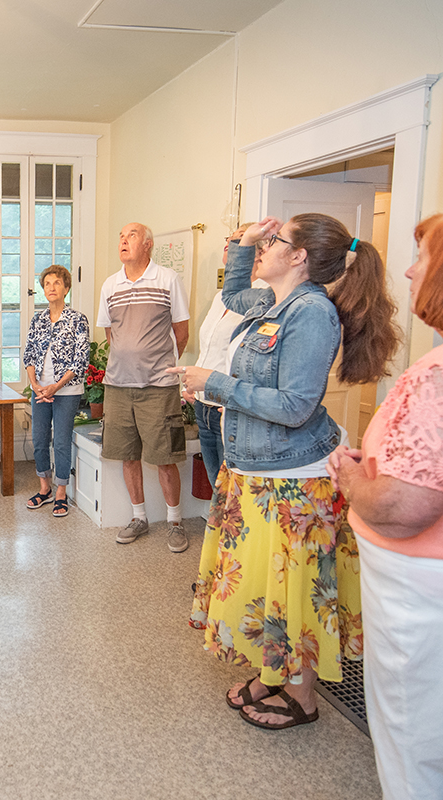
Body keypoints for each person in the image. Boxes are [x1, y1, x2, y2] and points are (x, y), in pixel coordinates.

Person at [176, 213, 399, 729]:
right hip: (256, 471)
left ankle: (303, 698)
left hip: (293, 479)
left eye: (275, 241)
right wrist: (245, 244)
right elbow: (233, 296)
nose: (267, 246)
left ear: (299, 257)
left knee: (292, 589)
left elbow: (297, 405)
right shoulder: (275, 303)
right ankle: (273, 673)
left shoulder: (313, 314)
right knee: (267, 587)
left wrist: (216, 384)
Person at [327, 214, 443, 798]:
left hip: (418, 591)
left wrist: (349, 475)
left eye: (422, 256)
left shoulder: (438, 377)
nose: (409, 268)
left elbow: (403, 506)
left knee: (412, 735)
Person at [97, 222, 190, 551]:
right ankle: (139, 517)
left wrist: (158, 363)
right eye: (120, 236)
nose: (123, 240)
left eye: (131, 236)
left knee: (165, 457)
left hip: (158, 387)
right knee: (127, 456)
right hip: (118, 386)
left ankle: (176, 521)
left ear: (148, 244)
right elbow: (111, 335)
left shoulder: (167, 279)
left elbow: (181, 332)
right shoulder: (110, 285)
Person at [188, 223, 254, 489]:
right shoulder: (221, 297)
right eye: (230, 238)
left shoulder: (261, 299)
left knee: (234, 490)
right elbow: (210, 348)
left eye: (239, 240)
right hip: (203, 404)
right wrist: (191, 384)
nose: (230, 243)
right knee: (218, 488)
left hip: (228, 408)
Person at [23, 264, 90, 518]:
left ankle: (61, 492)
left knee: (61, 442)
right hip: (40, 391)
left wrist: (56, 386)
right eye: (47, 284)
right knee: (39, 440)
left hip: (67, 391)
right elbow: (29, 354)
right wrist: (36, 385)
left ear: (66, 288)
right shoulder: (38, 319)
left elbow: (80, 360)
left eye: (57, 283)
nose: (51, 288)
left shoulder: (77, 319)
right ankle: (45, 489)